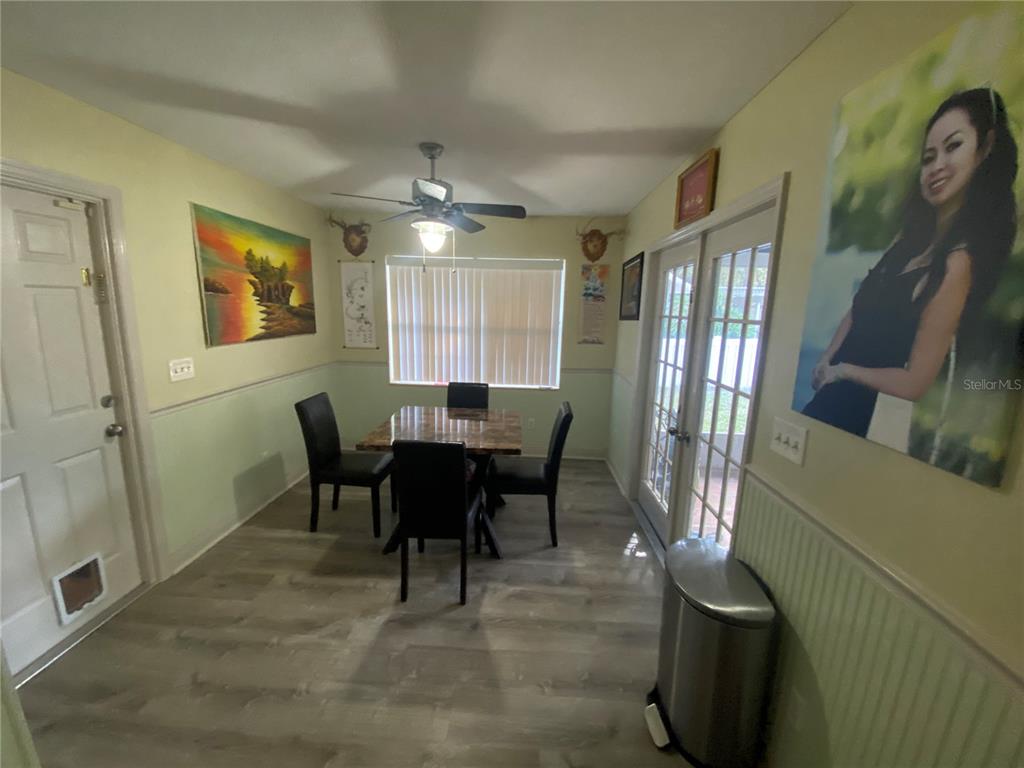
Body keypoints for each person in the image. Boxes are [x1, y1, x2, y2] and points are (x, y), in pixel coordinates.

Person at [803, 87, 1019, 437]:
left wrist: (844, 370)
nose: (936, 167)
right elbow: (858, 309)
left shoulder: (956, 265)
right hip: (829, 398)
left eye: (953, 146)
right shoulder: (904, 247)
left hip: (867, 419)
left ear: (985, 149)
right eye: (928, 157)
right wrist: (827, 358)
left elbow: (914, 382)